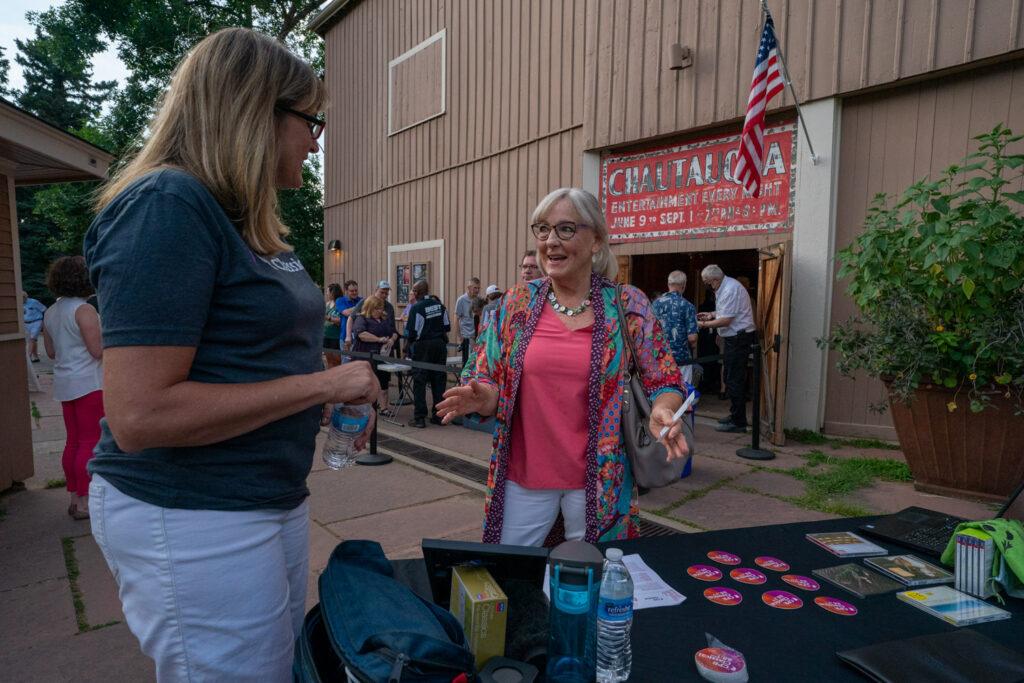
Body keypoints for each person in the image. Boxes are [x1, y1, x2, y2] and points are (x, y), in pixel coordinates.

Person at [81, 28, 379, 681]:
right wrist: (319, 390)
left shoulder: (234, 218)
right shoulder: (167, 204)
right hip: (191, 509)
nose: (317, 137)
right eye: (311, 119)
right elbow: (141, 413)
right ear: (256, 111)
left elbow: (244, 354)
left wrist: (323, 378)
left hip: (260, 496)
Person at [436, 187, 689, 546]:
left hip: (600, 481)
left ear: (597, 240)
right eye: (543, 229)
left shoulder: (627, 304)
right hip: (523, 475)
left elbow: (664, 378)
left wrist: (663, 409)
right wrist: (484, 397)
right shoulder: (517, 303)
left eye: (566, 229)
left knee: (590, 583)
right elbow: (484, 374)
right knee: (509, 576)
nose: (550, 241)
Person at [40, 257, 103, 521]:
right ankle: (86, 504)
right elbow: (97, 350)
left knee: (74, 442)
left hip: (65, 384)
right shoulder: (84, 310)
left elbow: (52, 352)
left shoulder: (50, 312)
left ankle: (74, 498)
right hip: (90, 384)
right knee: (91, 442)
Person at [698, 264, 756, 433]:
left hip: (738, 337)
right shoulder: (726, 285)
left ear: (715, 279)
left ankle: (739, 422)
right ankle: (735, 415)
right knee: (730, 376)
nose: (708, 286)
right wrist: (711, 314)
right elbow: (726, 312)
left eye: (708, 283)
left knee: (733, 378)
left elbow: (726, 320)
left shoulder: (730, 289)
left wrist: (702, 324)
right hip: (734, 337)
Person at [405, 279, 450, 429]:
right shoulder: (440, 306)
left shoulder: (416, 308)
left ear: (417, 292)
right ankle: (438, 416)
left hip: (423, 346)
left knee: (420, 381)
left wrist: (409, 347)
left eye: (413, 290)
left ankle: (419, 418)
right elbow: (447, 326)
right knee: (439, 380)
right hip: (440, 345)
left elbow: (411, 332)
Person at [351, 296, 398, 414]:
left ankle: (384, 408)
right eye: (377, 308)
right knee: (367, 383)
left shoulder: (384, 320)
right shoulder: (361, 318)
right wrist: (378, 339)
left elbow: (394, 332)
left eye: (381, 308)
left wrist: (392, 339)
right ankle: (365, 408)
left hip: (383, 357)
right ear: (370, 307)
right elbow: (361, 334)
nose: (380, 311)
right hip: (366, 357)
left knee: (383, 382)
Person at [652, 271, 699, 385]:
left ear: (668, 284)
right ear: (683, 286)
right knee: (684, 391)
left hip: (660, 357)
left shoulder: (654, 304)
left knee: (663, 392)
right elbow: (692, 338)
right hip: (682, 358)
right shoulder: (688, 306)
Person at [455, 277, 481, 367]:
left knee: (477, 363)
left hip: (478, 337)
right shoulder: (461, 300)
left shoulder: (479, 299)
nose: (477, 290)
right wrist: (459, 337)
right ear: (469, 288)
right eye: (475, 288)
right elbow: (456, 319)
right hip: (466, 336)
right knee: (467, 364)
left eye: (478, 288)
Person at [336, 280, 362, 352]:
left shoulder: (361, 300)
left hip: (359, 337)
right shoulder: (340, 300)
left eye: (356, 290)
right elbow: (346, 313)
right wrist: (360, 306)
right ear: (346, 291)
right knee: (346, 360)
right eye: (352, 291)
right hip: (345, 337)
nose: (354, 293)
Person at [22, 291, 47, 362]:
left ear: (25, 297)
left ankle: (28, 357)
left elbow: (44, 309)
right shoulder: (19, 303)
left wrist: (45, 321)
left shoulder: (34, 302)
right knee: (33, 340)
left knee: (32, 339)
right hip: (26, 323)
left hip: (36, 322)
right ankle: (35, 357)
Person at [323, 283, 343, 368]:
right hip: (326, 335)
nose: (326, 293)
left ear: (333, 292)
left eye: (327, 291)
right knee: (329, 359)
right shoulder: (328, 304)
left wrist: (328, 318)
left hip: (336, 336)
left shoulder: (340, 304)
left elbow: (340, 321)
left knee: (337, 360)